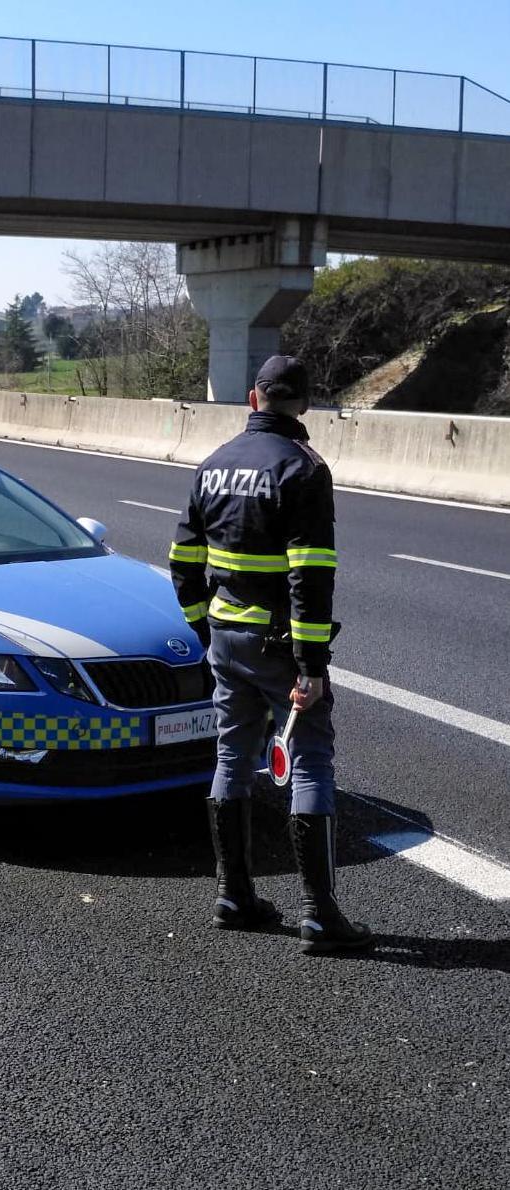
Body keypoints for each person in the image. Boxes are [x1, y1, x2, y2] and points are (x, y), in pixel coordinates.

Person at [169, 356, 372, 955]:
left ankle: (234, 896)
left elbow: (182, 563)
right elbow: (310, 575)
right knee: (309, 761)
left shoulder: (214, 464)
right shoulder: (304, 469)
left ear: (254, 398)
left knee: (232, 753)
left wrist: (205, 630)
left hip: (227, 637)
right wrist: (312, 667)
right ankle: (319, 915)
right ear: (303, 405)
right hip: (280, 646)